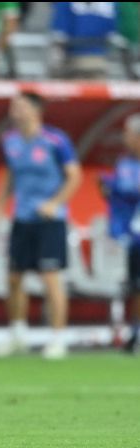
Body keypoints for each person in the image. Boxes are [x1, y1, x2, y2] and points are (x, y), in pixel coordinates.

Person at [0, 92, 82, 360]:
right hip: (22, 217)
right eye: (13, 106)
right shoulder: (10, 141)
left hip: (50, 220)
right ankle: (18, 333)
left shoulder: (56, 140)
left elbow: (73, 176)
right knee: (14, 277)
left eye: (20, 106)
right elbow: (10, 175)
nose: (15, 111)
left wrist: (55, 203)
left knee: (50, 277)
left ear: (36, 110)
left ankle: (58, 338)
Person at [100, 114, 140, 354]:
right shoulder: (124, 163)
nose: (125, 138)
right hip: (132, 238)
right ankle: (135, 332)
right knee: (135, 287)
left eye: (129, 134)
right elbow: (117, 199)